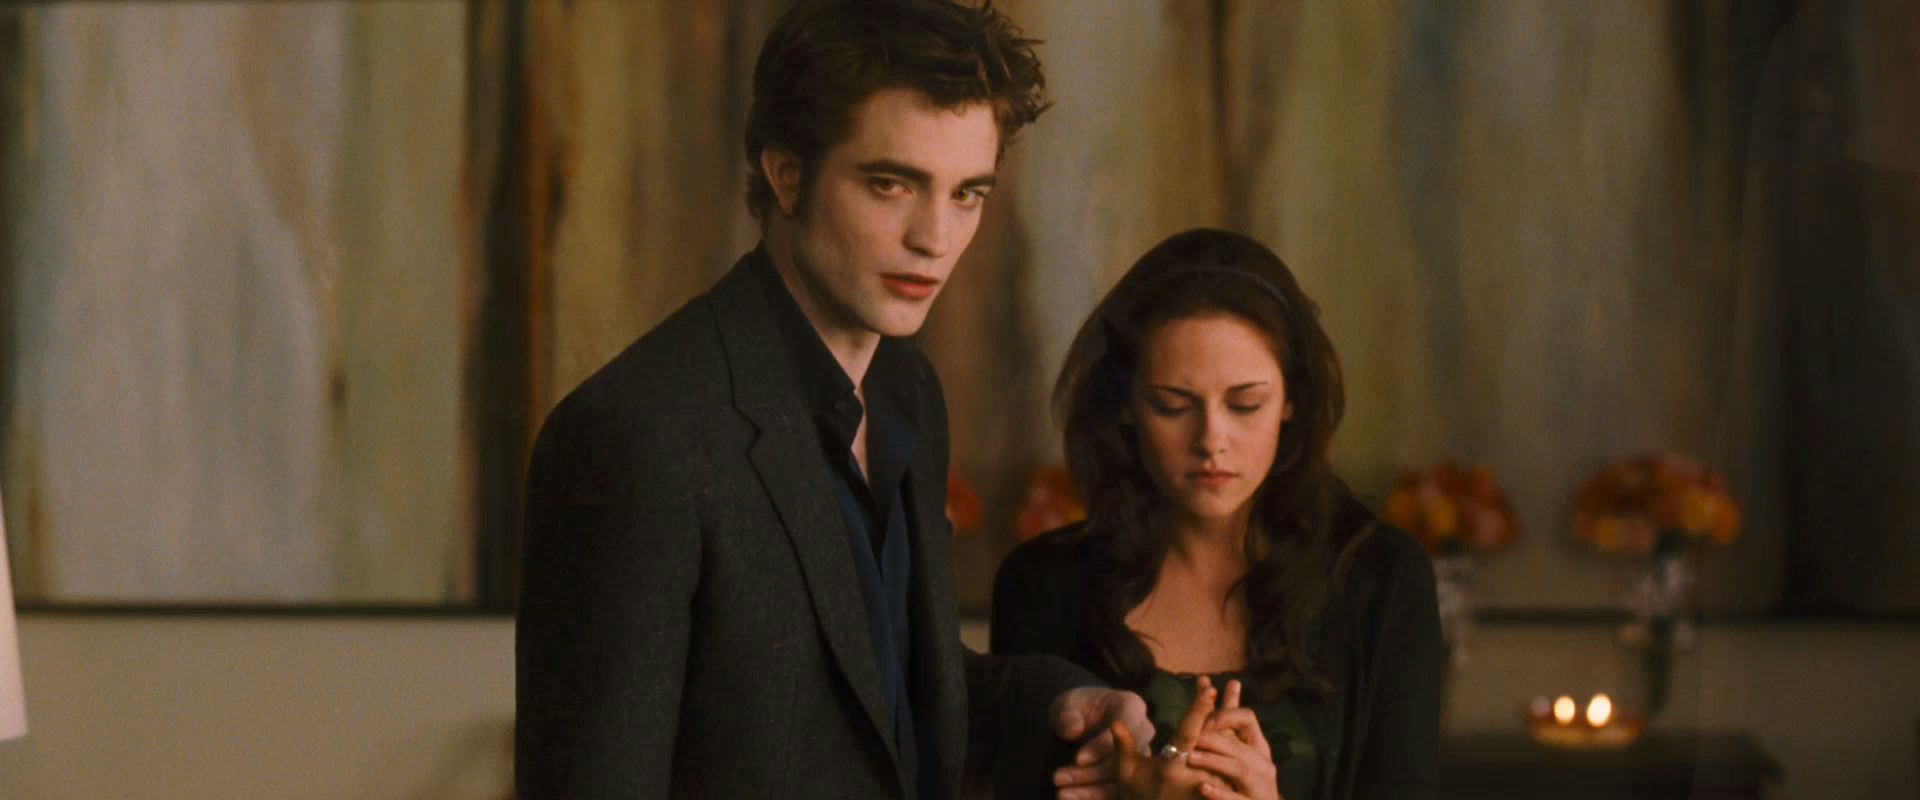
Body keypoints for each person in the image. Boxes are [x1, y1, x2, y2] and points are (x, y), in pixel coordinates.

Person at [515, 2, 1151, 798]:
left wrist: (1058, 700)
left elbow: (878, 690)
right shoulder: (635, 435)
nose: (935, 238)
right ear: (787, 175)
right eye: (892, 184)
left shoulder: (908, 391)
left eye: (967, 194)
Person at [992, 229, 1444, 800]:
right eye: (1172, 406)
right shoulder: (1043, 584)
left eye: (1245, 404)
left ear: (1291, 402)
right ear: (1125, 406)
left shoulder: (1382, 576)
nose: (1211, 440)